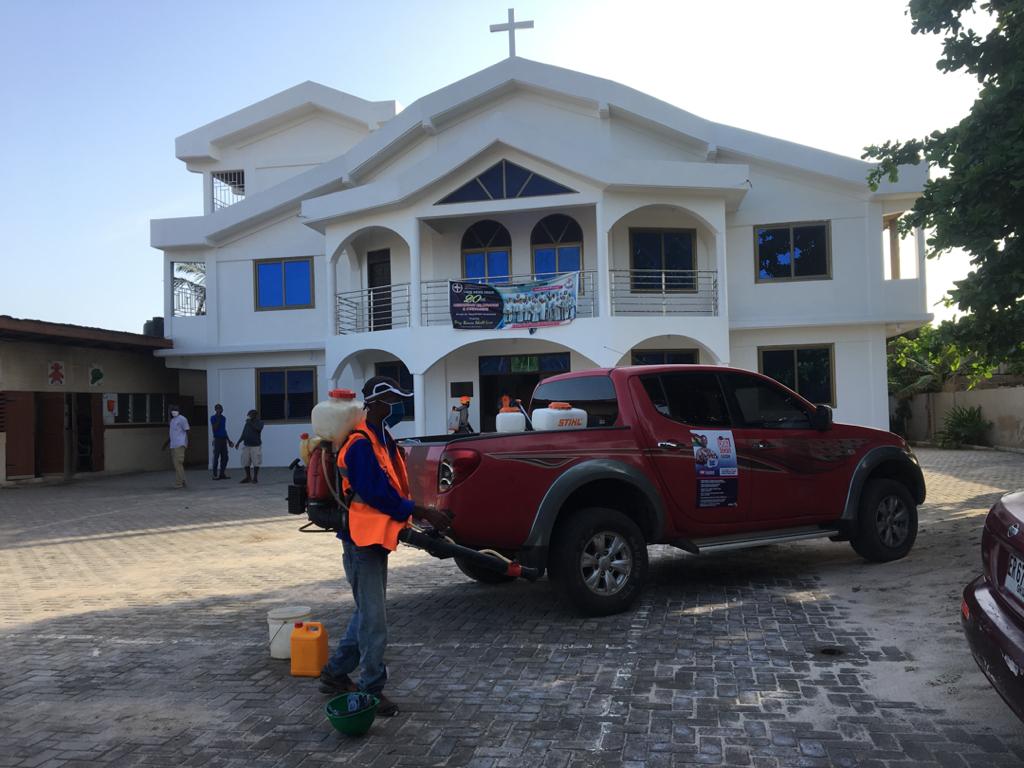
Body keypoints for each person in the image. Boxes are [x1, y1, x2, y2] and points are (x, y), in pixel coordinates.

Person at [318, 375, 452, 716]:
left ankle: (335, 673)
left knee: (367, 613)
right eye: (390, 400)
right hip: (361, 541)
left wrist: (418, 516)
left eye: (397, 400)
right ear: (374, 403)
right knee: (374, 621)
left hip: (377, 537)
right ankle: (371, 689)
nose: (395, 406)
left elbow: (395, 485)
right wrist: (421, 512)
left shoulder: (384, 438)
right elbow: (377, 493)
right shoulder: (361, 444)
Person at [162, 405, 190, 489]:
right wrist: (166, 444)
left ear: (179, 410)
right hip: (173, 445)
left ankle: (179, 483)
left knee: (178, 463)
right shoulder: (172, 421)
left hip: (180, 444)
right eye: (172, 410)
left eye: (175, 409)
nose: (174, 411)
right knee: (176, 464)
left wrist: (186, 442)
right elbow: (172, 434)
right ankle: (183, 480)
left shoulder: (182, 419)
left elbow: (187, 430)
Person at [235, 409, 263, 483]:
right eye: (249, 415)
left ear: (255, 415)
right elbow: (244, 433)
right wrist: (238, 442)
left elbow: (258, 429)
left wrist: (250, 423)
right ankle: (248, 477)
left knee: (256, 462)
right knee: (245, 461)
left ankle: (255, 478)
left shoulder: (260, 422)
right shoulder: (247, 423)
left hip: (255, 446)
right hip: (246, 445)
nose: (249, 417)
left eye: (251, 415)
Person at [209, 404, 234, 480]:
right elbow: (215, 428)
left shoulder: (224, 418)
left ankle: (222, 474)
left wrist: (229, 441)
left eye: (221, 409)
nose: (220, 410)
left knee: (225, 457)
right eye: (218, 409)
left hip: (223, 439)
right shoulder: (213, 418)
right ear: (215, 409)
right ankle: (215, 474)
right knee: (216, 457)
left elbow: (224, 430)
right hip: (217, 439)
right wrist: (218, 419)